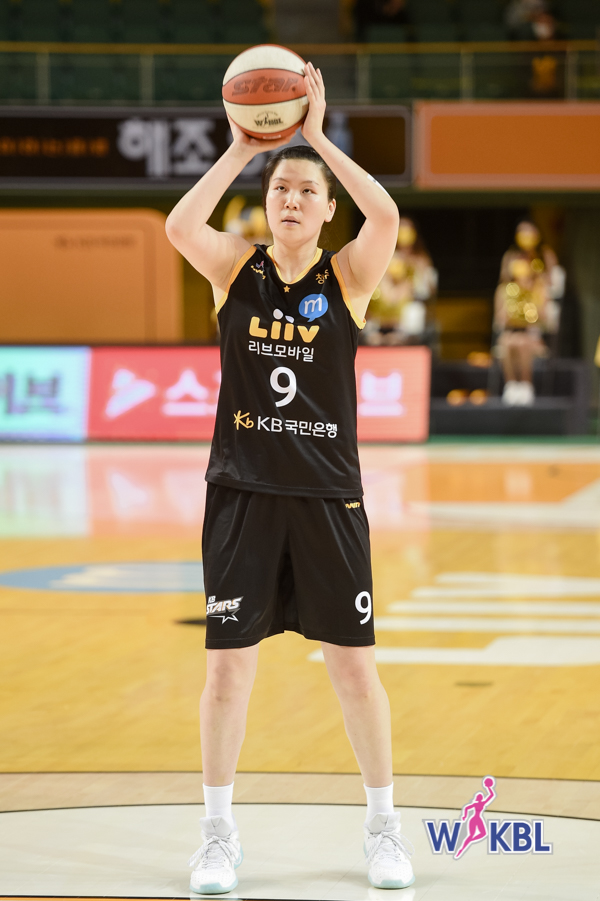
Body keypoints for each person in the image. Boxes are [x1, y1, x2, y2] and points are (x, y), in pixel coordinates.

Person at [166, 63, 414, 894]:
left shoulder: (349, 277)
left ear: (327, 207)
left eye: (308, 191)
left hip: (327, 498)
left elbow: (387, 213)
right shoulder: (235, 269)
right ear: (265, 204)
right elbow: (179, 224)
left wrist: (316, 140)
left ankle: (383, 827)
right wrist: (244, 149)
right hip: (242, 494)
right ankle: (216, 836)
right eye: (282, 190)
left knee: (353, 669)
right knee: (227, 672)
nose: (294, 199)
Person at [494, 220, 564, 406]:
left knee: (523, 342)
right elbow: (500, 317)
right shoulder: (506, 289)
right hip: (512, 332)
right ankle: (512, 387)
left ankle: (526, 386)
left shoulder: (541, 278)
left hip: (534, 334)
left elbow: (546, 311)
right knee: (508, 342)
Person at [364, 216, 437, 346]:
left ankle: (400, 335)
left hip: (406, 307)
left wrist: (414, 267)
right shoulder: (385, 254)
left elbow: (428, 288)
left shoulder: (420, 258)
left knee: (415, 310)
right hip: (383, 304)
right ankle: (376, 332)